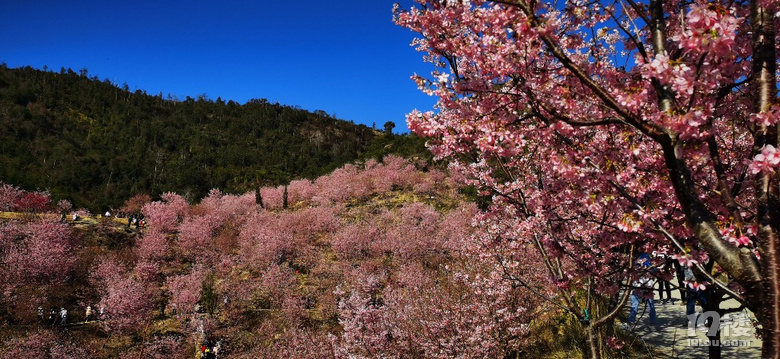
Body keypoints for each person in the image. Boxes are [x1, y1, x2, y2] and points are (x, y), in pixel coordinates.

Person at [627, 253, 657, 327]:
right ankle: (652, 321)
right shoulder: (649, 265)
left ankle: (631, 320)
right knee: (650, 304)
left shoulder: (637, 264)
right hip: (645, 286)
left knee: (636, 304)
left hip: (640, 286)